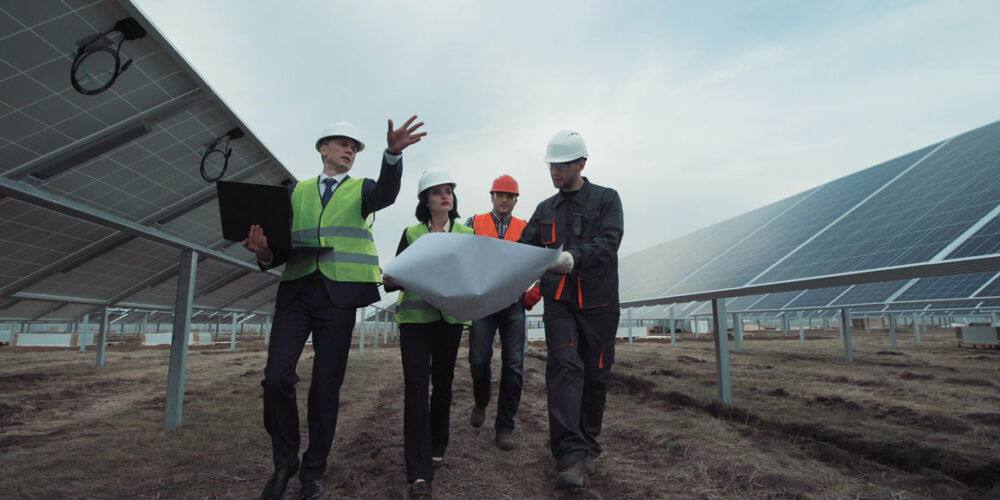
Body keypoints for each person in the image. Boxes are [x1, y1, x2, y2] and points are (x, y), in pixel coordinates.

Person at [242, 117, 426, 500]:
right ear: (322, 149)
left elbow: (389, 193)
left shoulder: (364, 190)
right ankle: (284, 461)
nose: (349, 150)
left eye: (355, 147)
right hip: (296, 292)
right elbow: (278, 245)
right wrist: (264, 253)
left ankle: (313, 469)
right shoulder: (296, 192)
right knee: (276, 378)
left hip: (338, 298)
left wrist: (392, 154)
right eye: (342, 144)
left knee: (325, 387)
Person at [518, 130, 624, 490]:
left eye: (563, 165)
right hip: (559, 303)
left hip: (599, 304)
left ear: (581, 163)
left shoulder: (608, 200)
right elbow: (525, 251)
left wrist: (573, 257)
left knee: (595, 377)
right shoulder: (545, 210)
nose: (555, 172)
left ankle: (588, 446)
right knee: (564, 369)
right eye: (552, 165)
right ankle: (569, 456)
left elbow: (609, 243)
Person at [382, 169, 473, 500]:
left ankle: (438, 442)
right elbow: (394, 273)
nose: (444, 195)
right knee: (416, 386)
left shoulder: (466, 231)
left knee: (444, 383)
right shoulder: (411, 233)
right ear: (425, 201)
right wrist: (391, 278)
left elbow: (472, 274)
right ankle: (418, 472)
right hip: (415, 319)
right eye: (436, 192)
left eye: (448, 190)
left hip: (449, 319)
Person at [463, 174, 541, 450]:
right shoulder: (473, 223)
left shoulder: (527, 228)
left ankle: (505, 426)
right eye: (500, 195)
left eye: (510, 196)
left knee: (514, 365)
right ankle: (481, 398)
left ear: (516, 200)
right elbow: (458, 254)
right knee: (478, 358)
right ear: (492, 196)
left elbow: (544, 260)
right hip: (483, 303)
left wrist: (536, 291)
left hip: (513, 304)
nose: (505, 200)